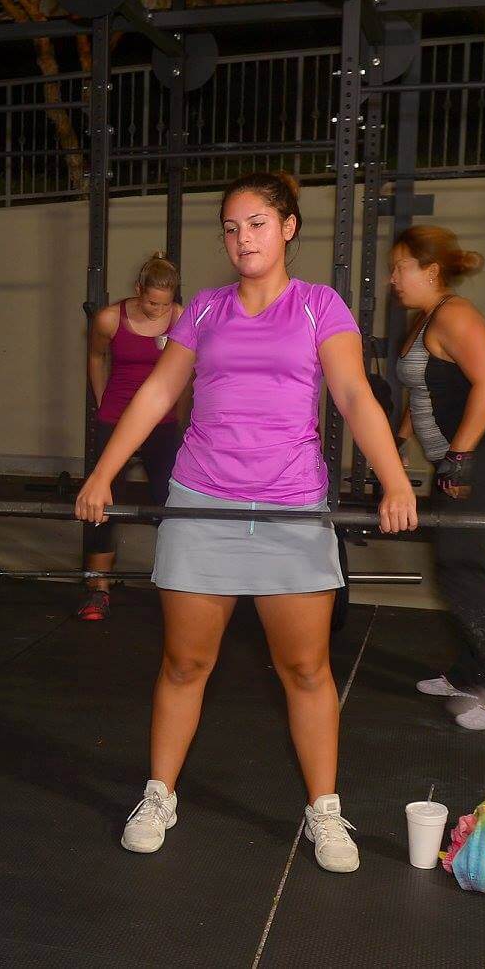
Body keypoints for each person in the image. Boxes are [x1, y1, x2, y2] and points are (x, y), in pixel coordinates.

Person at [75, 171, 417, 873]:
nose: (242, 239)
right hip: (202, 501)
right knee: (184, 663)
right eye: (231, 228)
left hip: (291, 507)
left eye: (257, 223)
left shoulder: (319, 306)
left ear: (288, 227)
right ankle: (159, 794)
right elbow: (157, 393)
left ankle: (324, 809)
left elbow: (353, 394)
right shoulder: (203, 310)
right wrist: (103, 472)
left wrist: (393, 480)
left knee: (306, 669)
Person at [389, 226, 485, 731]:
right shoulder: (426, 319)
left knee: (461, 562)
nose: (392, 278)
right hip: (458, 460)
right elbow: (422, 389)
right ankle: (471, 671)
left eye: (400, 267)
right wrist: (400, 438)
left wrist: (459, 458)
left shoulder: (456, 315)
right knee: (451, 563)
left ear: (430, 270)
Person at [78, 253, 185, 622]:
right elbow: (96, 357)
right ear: (139, 290)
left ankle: (179, 586)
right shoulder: (109, 319)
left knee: (172, 501)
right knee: (100, 502)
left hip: (162, 422)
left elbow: (188, 372)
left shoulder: (181, 318)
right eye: (152, 302)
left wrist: (182, 417)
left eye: (165, 304)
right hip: (116, 417)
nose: (158, 310)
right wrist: (102, 402)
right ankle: (98, 589)